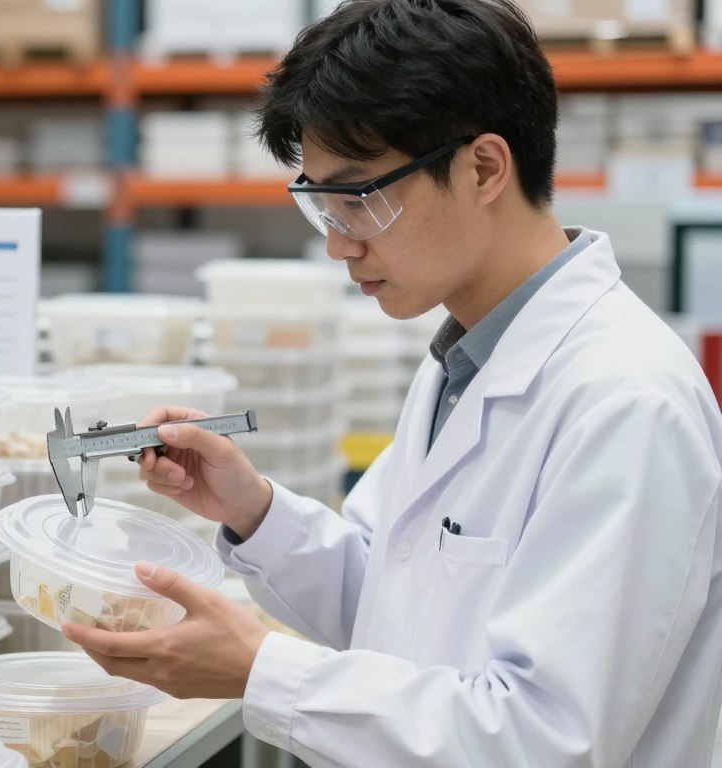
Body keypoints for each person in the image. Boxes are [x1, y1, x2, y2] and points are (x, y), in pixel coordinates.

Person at [59, 0, 722, 765]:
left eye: (360, 199)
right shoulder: (465, 356)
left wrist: (262, 672)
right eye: (322, 205)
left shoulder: (625, 402)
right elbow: (396, 601)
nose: (340, 244)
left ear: (483, 168)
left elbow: (544, 740)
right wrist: (257, 510)